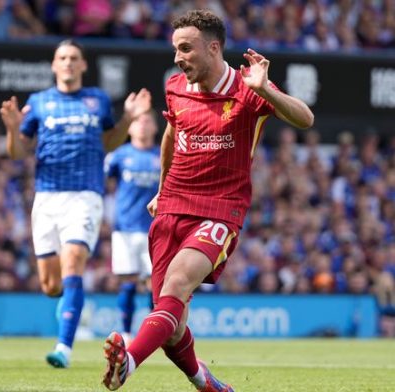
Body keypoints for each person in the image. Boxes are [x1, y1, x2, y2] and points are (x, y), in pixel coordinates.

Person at [102, 10, 314, 391]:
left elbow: (305, 119)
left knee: (177, 284)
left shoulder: (249, 88)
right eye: (175, 49)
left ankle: (129, 362)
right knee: (171, 325)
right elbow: (170, 136)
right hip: (171, 208)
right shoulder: (175, 86)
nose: (178, 57)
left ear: (213, 48)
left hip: (220, 209)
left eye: (186, 49)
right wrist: (162, 189)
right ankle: (205, 383)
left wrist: (267, 90)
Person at [0, 39, 151, 369]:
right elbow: (17, 152)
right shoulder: (39, 102)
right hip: (47, 197)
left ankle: (64, 347)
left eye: (74, 58)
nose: (68, 63)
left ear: (83, 65)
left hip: (85, 194)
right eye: (62, 58)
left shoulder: (96, 100)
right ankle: (68, 304)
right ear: (54, 65)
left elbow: (109, 142)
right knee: (51, 285)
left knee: (74, 260)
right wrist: (12, 128)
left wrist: (127, 119)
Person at [104, 110, 160, 347]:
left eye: (147, 121)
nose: (143, 126)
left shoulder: (162, 155)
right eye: (138, 121)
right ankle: (126, 335)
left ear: (155, 127)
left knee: (153, 284)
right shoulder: (119, 155)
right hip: (125, 228)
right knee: (127, 281)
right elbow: (104, 182)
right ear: (130, 128)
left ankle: (153, 335)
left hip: (155, 229)